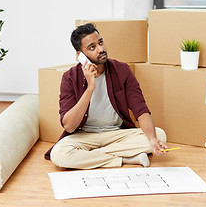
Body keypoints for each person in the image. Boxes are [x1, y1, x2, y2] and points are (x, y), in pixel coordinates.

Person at [44, 23, 168, 169]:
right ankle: (125, 159)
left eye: (101, 42)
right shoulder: (69, 78)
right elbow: (69, 126)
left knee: (159, 135)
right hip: (84, 136)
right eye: (92, 47)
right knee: (59, 154)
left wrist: (152, 139)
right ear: (80, 55)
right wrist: (90, 88)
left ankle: (95, 156)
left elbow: (140, 109)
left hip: (117, 134)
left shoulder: (122, 70)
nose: (101, 49)